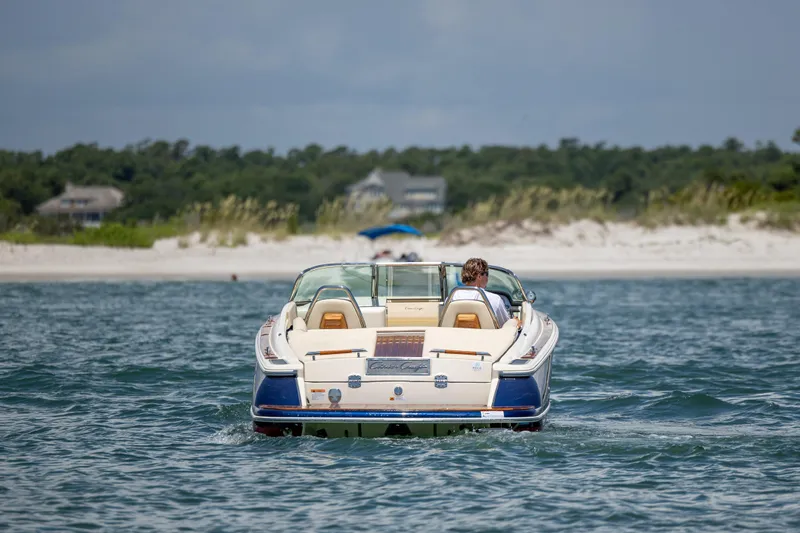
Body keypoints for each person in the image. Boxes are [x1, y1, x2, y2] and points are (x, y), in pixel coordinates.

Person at [451, 257, 514, 326]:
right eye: (486, 274)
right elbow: (506, 325)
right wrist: (514, 322)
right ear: (479, 276)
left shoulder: (452, 297)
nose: (487, 278)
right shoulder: (494, 299)